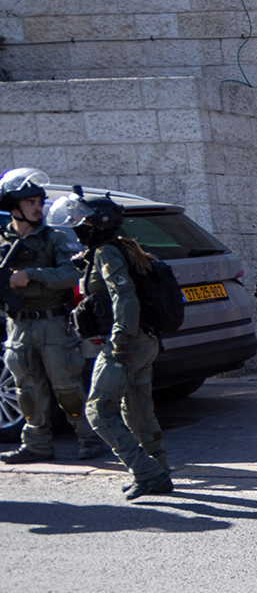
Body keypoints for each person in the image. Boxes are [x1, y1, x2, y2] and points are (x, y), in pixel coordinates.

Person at [42, 188, 171, 498]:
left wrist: (119, 340)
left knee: (98, 411)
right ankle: (158, 471)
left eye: (81, 220)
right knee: (138, 412)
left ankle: (147, 473)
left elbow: (125, 298)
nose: (76, 225)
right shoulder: (118, 249)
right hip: (145, 341)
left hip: (127, 344)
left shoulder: (107, 254)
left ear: (99, 223)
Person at [1, 166, 106, 465]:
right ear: (14, 207)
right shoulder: (2, 242)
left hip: (53, 323)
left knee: (67, 387)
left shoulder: (54, 238)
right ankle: (36, 444)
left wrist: (31, 275)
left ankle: (89, 438)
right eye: (30, 202)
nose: (39, 208)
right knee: (26, 390)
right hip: (17, 324)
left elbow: (72, 273)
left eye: (40, 202)